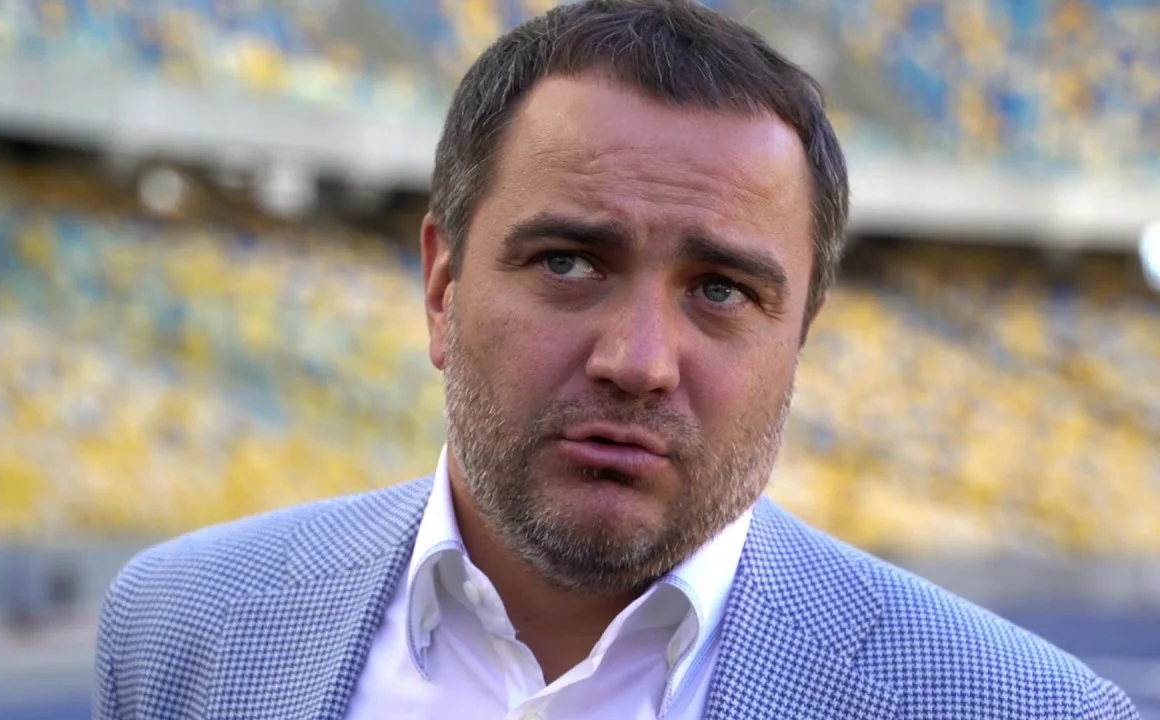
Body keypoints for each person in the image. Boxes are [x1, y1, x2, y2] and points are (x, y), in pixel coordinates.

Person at [93, 2, 1141, 718]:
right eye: (567, 262)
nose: (637, 362)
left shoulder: (1022, 709)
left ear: (799, 339)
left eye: (720, 291)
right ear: (443, 287)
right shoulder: (178, 627)